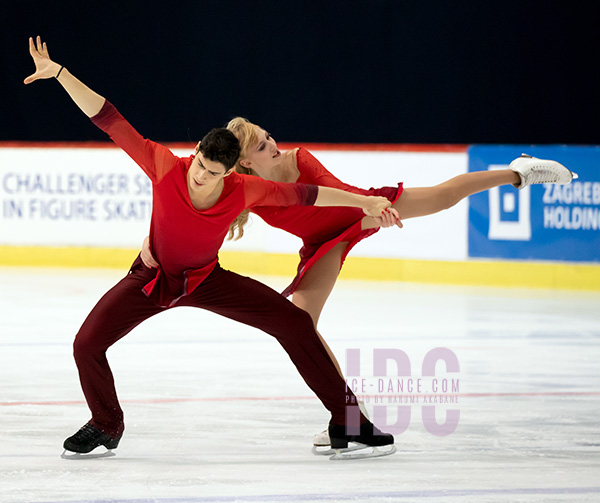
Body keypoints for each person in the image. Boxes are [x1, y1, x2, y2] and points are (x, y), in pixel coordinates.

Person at [24, 36, 399, 460]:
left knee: (294, 322)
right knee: (85, 344)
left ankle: (349, 421)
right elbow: (108, 118)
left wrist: (362, 201)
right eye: (201, 165)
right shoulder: (165, 165)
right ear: (197, 151)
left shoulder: (242, 190)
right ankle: (106, 423)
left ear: (229, 172)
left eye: (214, 173)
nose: (202, 177)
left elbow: (308, 195)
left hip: (207, 281)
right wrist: (59, 74)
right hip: (153, 278)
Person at [142, 116, 577, 448]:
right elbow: (191, 215)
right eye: (261, 145)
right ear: (244, 161)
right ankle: (349, 413)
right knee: (300, 325)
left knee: (443, 197)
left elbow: (333, 189)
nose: (273, 145)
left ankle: (520, 173)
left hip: (359, 210)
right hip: (322, 243)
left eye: (269, 136)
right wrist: (154, 243)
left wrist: (371, 209)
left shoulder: (298, 158)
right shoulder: (243, 189)